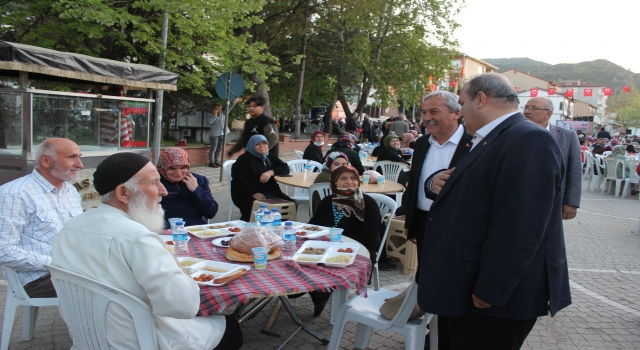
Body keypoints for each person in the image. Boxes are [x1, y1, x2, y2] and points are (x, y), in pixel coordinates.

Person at [422, 74, 570, 349]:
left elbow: (521, 226)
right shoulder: (491, 137)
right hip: (465, 283)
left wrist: (491, 288)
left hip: (493, 298)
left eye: (462, 103)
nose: (460, 111)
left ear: (481, 99)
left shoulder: (528, 140)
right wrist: (435, 182)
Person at [52, 153, 242, 350]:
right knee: (230, 326)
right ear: (123, 192)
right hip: (141, 340)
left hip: (87, 336)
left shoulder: (70, 228)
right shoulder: (139, 238)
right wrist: (175, 263)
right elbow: (185, 306)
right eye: (154, 183)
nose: (163, 191)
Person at [0, 138, 83, 298]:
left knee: (124, 275)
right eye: (72, 157)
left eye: (79, 157)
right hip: (36, 278)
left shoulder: (70, 191)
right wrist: (57, 264)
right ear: (45, 160)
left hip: (70, 269)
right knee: (108, 287)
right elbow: (3, 250)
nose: (80, 164)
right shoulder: (15, 194)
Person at [309, 165, 381, 268]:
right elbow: (313, 226)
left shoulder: (368, 204)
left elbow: (368, 237)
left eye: (353, 178)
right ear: (334, 182)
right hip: (325, 248)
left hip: (357, 251)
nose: (349, 182)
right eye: (343, 178)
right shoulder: (327, 201)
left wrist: (336, 243)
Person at [524, 97, 581, 220]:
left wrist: (571, 202)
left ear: (548, 113)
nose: (527, 111)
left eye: (533, 108)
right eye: (526, 107)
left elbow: (574, 171)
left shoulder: (567, 136)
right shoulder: (515, 133)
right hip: (522, 198)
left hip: (553, 200)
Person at [231, 135, 292, 221]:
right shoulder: (244, 159)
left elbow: (285, 168)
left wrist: (271, 172)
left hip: (270, 191)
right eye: (257, 144)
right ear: (251, 145)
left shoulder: (269, 156)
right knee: (256, 209)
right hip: (247, 193)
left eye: (264, 143)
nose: (262, 146)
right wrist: (254, 193)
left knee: (290, 205)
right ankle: (248, 229)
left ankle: (279, 227)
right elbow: (239, 179)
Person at [157, 148, 218, 227]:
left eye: (183, 168)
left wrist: (196, 190)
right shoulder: (155, 182)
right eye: (172, 168)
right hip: (164, 229)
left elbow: (210, 213)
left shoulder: (199, 180)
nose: (178, 173)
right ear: (162, 168)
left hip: (195, 228)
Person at [227, 96, 280, 163]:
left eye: (254, 106)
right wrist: (233, 150)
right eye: (249, 106)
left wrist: (260, 151)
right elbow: (243, 138)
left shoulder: (266, 121)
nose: (251, 108)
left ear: (262, 108)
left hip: (266, 158)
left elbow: (273, 139)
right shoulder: (249, 122)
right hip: (251, 157)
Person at [208, 103, 226, 168]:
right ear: (214, 109)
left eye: (220, 108)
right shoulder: (210, 115)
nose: (220, 110)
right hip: (214, 134)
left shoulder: (223, 114)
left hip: (222, 133)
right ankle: (211, 162)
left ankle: (216, 161)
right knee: (213, 148)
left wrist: (234, 102)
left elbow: (229, 108)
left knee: (219, 148)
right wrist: (214, 115)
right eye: (218, 108)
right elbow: (210, 122)